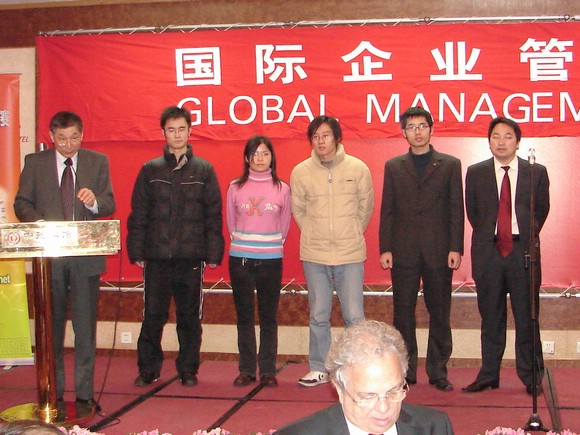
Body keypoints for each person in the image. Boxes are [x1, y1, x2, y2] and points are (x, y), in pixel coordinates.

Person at [14, 111, 116, 411]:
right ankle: (53, 393)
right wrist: (40, 224)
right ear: (51, 136)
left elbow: (109, 203)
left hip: (85, 259)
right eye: (61, 139)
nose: (68, 145)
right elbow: (22, 203)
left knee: (85, 330)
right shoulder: (35, 163)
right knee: (51, 330)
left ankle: (85, 395)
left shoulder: (98, 162)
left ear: (82, 135)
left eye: (74, 138)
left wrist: (94, 202)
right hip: (50, 260)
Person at [127, 106, 224, 387]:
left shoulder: (204, 169)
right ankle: (148, 369)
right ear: (163, 133)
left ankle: (188, 369)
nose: (177, 134)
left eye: (182, 129)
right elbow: (139, 213)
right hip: (156, 256)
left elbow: (212, 214)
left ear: (190, 131)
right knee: (153, 316)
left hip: (190, 257)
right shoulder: (150, 169)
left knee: (189, 317)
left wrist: (213, 252)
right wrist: (137, 251)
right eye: (171, 129)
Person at [378, 106, 464, 392]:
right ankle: (405, 371)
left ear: (431, 129)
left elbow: (456, 209)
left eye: (422, 126)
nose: (417, 132)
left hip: (439, 250)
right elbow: (387, 210)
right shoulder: (394, 166)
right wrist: (385, 247)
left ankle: (438, 371)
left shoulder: (450, 164)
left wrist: (455, 247)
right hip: (403, 250)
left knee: (439, 312)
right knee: (403, 312)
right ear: (404, 132)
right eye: (411, 127)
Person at [462, 117, 550, 395]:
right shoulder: (475, 172)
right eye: (496, 136)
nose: (501, 142)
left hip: (523, 252)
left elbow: (541, 210)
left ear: (518, 141)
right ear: (489, 142)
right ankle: (489, 374)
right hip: (488, 253)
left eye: (508, 136)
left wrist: (523, 235)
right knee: (490, 317)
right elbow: (473, 213)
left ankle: (531, 376)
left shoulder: (536, 172)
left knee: (527, 317)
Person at [290, 115, 374, 387]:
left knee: (354, 316)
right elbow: (298, 210)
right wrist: (314, 232)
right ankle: (319, 367)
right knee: (318, 315)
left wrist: (352, 230)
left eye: (325, 135)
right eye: (315, 137)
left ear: (337, 138)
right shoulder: (300, 171)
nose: (320, 141)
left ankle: (356, 369)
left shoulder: (357, 168)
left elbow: (365, 207)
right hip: (315, 254)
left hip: (350, 253)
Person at [276, 320, 454, 434]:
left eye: (393, 392)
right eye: (368, 396)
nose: (384, 408)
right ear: (340, 390)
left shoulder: (435, 428)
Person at [226, 135, 291, 388]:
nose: (260, 158)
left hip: (271, 259)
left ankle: (267, 370)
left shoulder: (282, 188)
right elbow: (231, 223)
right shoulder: (235, 187)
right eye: (255, 154)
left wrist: (271, 243)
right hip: (241, 258)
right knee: (244, 316)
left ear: (272, 157)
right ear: (247, 158)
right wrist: (245, 242)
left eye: (265, 153)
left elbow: (284, 225)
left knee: (268, 317)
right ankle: (246, 369)